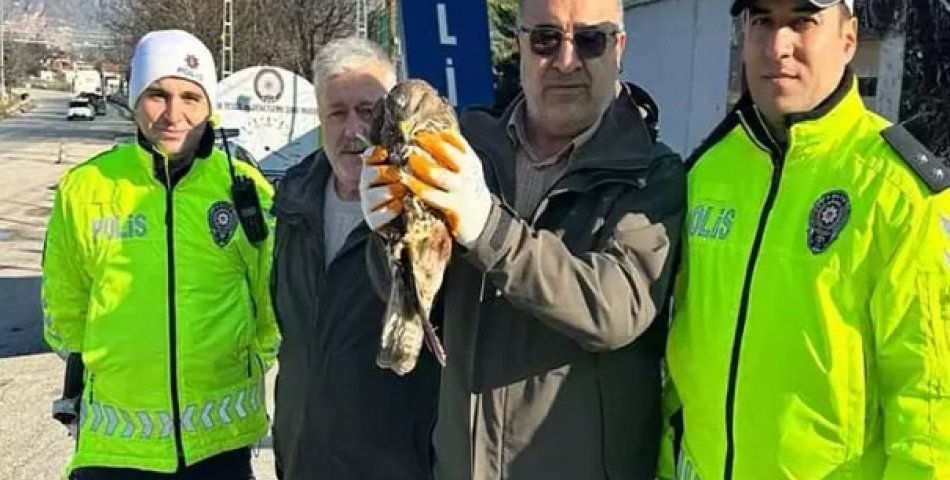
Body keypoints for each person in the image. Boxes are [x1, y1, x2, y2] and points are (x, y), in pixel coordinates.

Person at [360, 0, 686, 478]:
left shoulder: (651, 174)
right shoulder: (466, 145)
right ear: (520, 46)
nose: (566, 62)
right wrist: (391, 236)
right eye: (546, 39)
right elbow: (413, 300)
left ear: (620, 48)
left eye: (590, 40)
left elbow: (615, 309)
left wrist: (488, 227)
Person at [661, 0, 950, 478]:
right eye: (762, 21)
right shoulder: (707, 172)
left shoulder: (901, 193)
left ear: (848, 38)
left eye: (802, 21)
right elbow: (681, 370)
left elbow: (931, 406)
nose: (779, 46)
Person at [42, 30, 278, 480]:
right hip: (115, 446)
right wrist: (107, 363)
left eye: (191, 96)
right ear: (134, 99)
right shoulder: (85, 188)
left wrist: (250, 357)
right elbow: (63, 305)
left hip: (219, 443)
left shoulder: (246, 189)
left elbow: (271, 297)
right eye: (157, 95)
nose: (174, 114)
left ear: (211, 105)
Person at [269, 37, 440, 480]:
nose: (352, 130)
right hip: (303, 460)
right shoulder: (293, 201)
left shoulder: (425, 209)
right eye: (337, 113)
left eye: (368, 111)